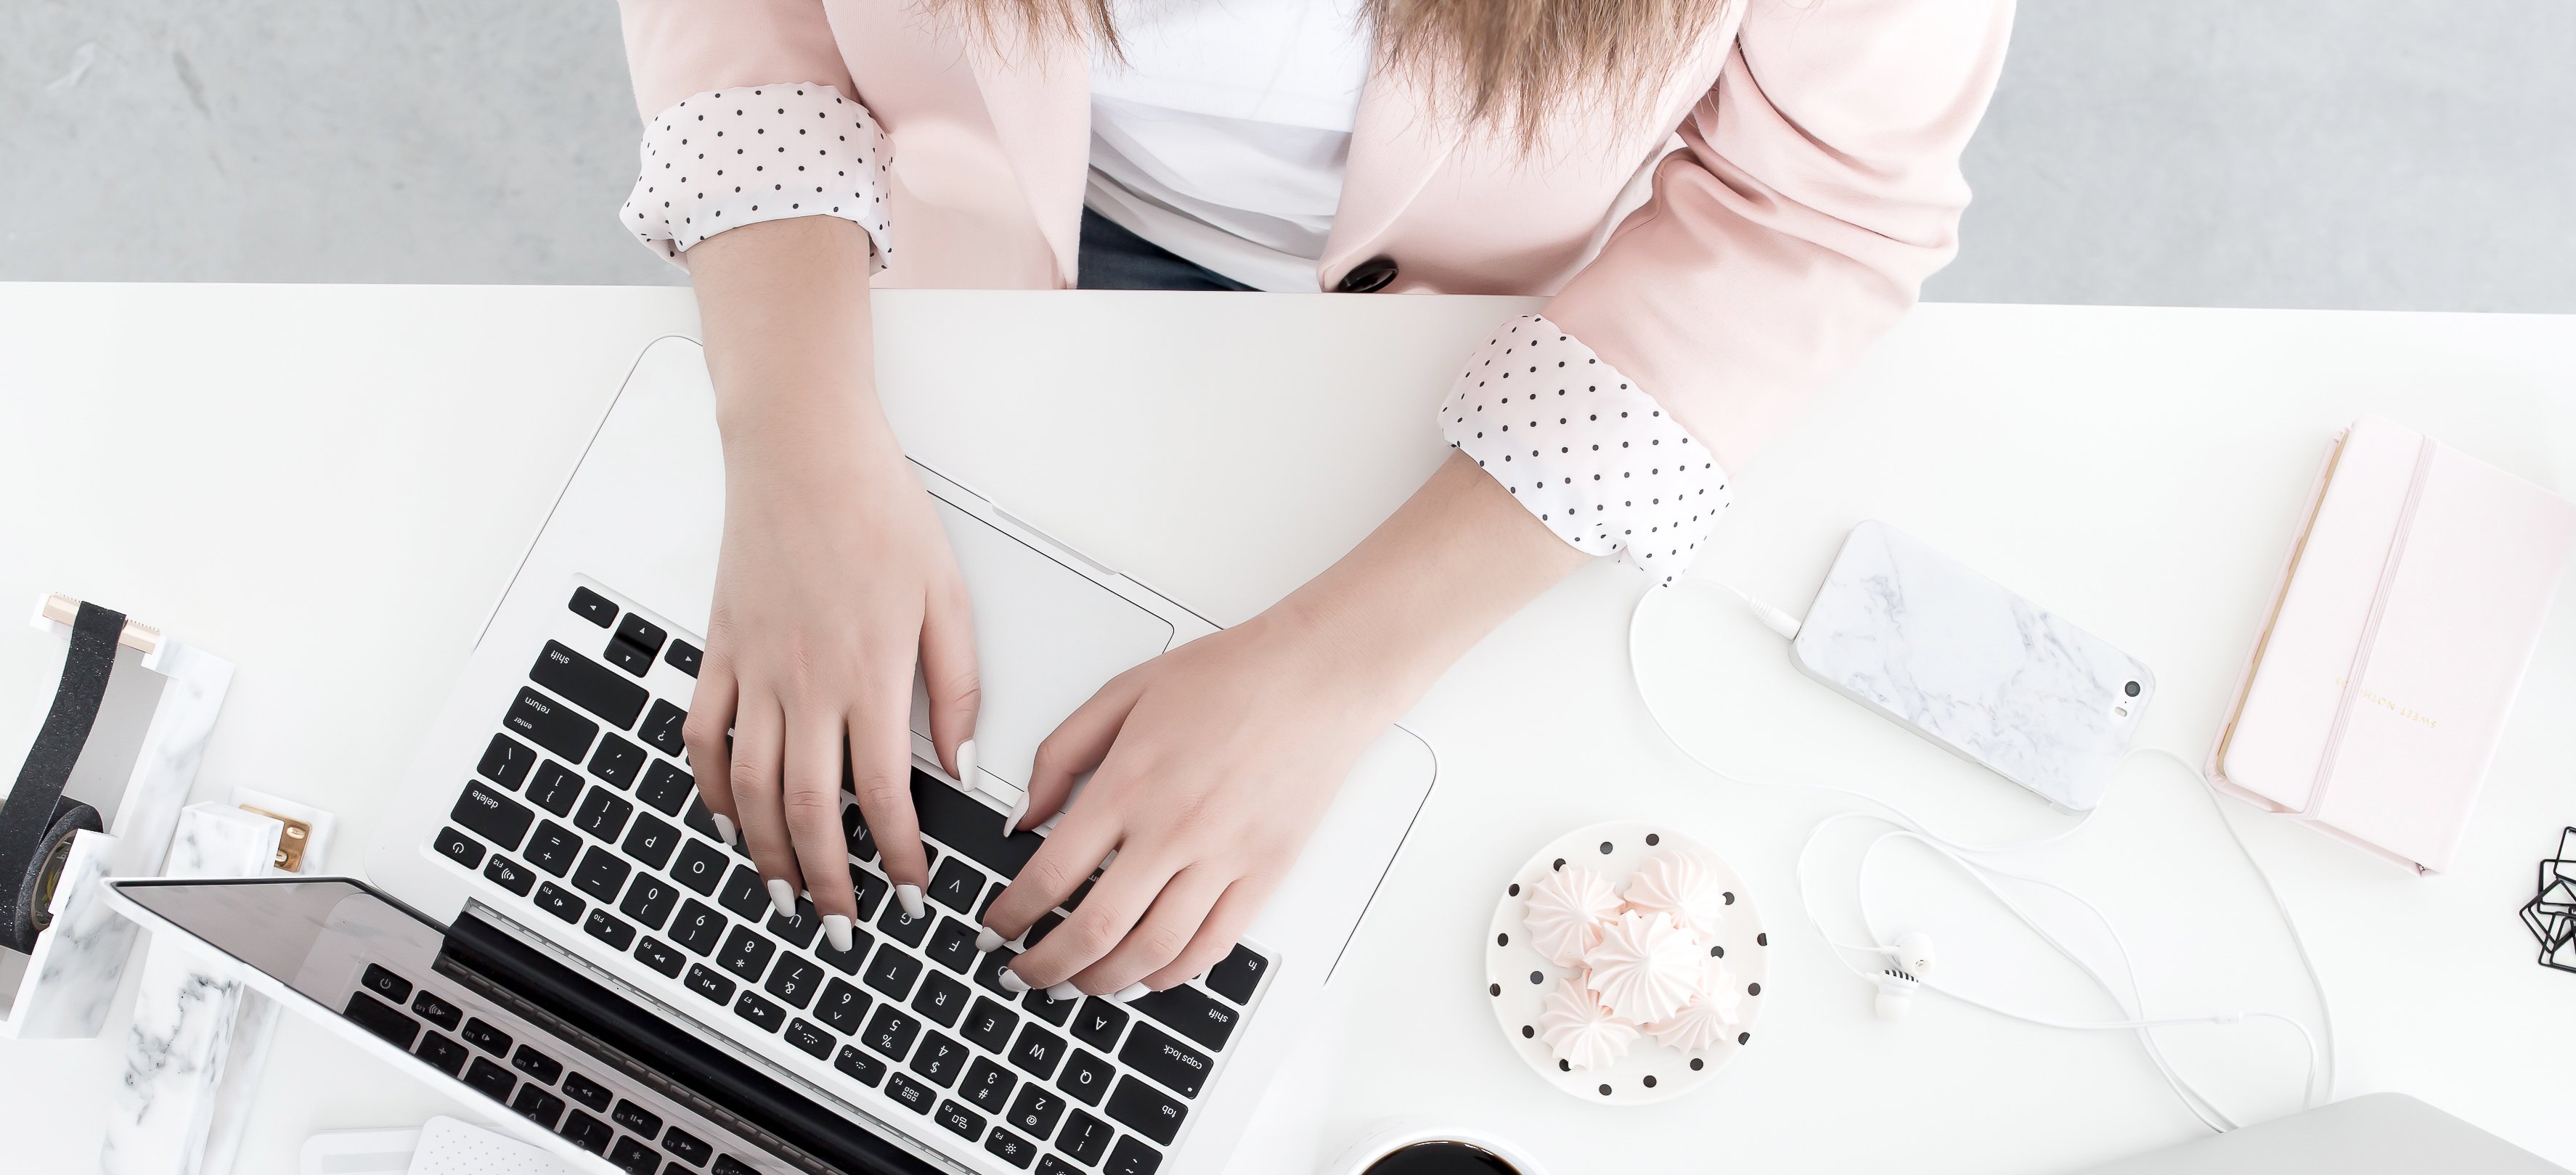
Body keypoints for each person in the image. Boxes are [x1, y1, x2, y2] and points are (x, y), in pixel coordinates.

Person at [614, 0, 2011, 1003]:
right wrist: (794, 439)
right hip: (942, 249)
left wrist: (1334, 673)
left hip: (1478, 364)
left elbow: (1816, 212)